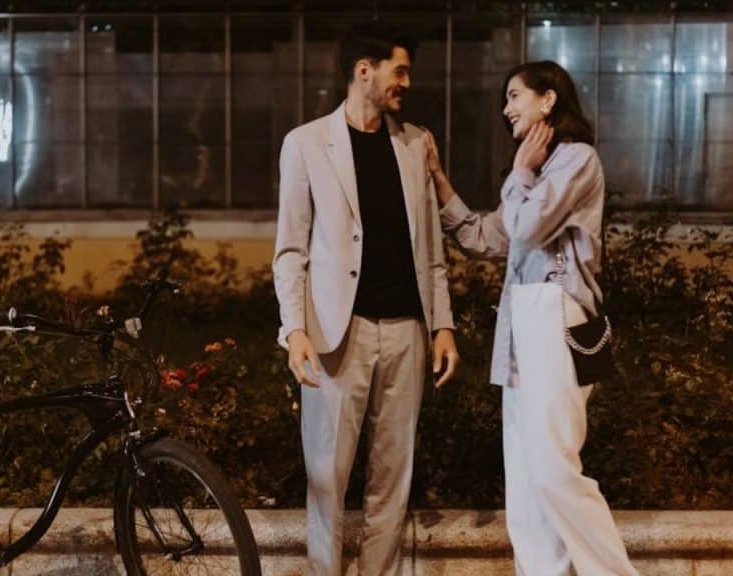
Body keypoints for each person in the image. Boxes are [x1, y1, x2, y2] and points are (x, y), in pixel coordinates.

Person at [422, 60, 639, 575]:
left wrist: (520, 173)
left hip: (555, 315)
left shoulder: (576, 161)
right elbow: (482, 235)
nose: (506, 107)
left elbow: (528, 225)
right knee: (523, 483)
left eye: (515, 95)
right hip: (521, 323)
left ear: (548, 100)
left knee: (553, 472)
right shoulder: (535, 176)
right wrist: (437, 177)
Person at [272, 22, 460, 576]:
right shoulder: (305, 144)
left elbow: (432, 250)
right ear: (364, 70)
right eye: (399, 70)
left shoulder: (414, 143)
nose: (407, 81)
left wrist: (442, 325)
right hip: (339, 334)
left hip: (407, 333)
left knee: (391, 483)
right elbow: (289, 251)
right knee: (327, 477)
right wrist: (295, 330)